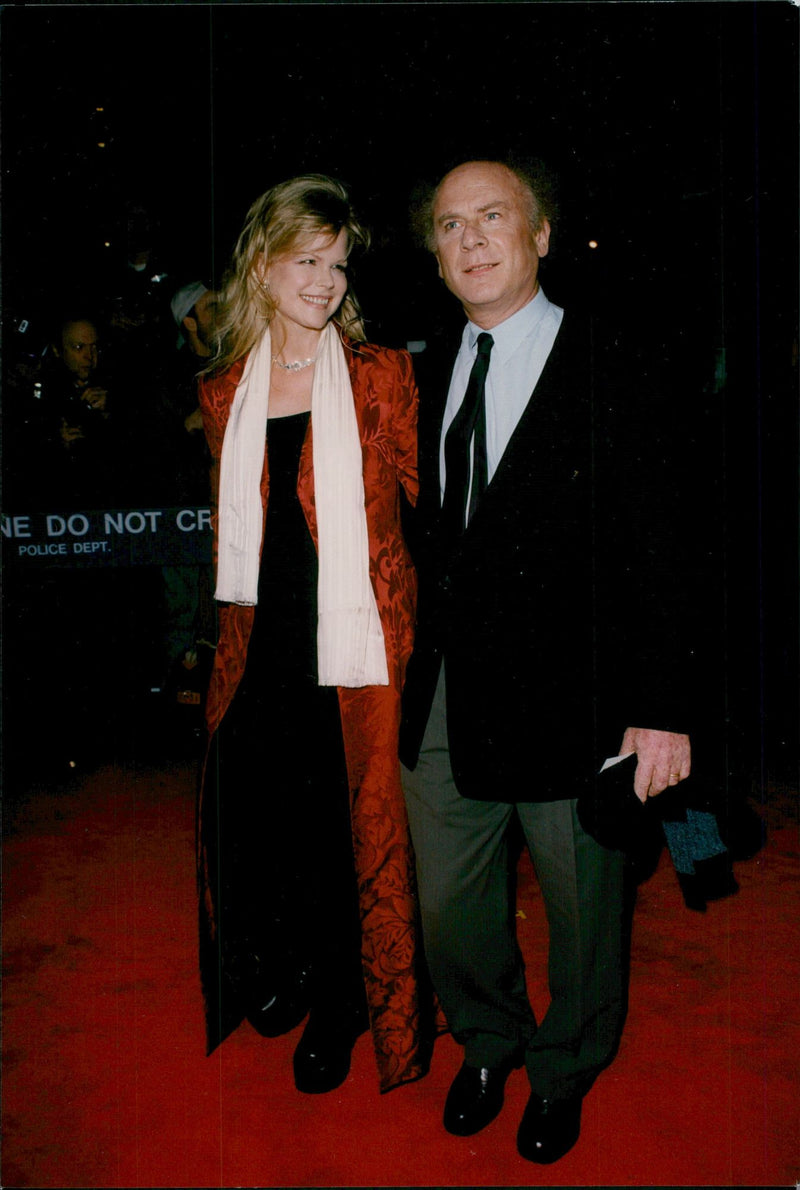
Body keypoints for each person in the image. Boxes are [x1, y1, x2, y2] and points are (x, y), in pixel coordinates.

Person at [399, 158, 695, 1163]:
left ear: (539, 236)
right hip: (442, 698)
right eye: (448, 225)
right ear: (436, 257)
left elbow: (665, 546)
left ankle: (563, 1065)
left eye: (492, 216)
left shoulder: (619, 363)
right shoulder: (421, 367)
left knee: (584, 913)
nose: (470, 237)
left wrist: (660, 706)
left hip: (579, 703)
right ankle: (486, 1040)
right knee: (446, 902)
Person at [196, 174, 428, 1095]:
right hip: (257, 655)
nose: (327, 281)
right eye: (307, 261)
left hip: (353, 656)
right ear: (263, 263)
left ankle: (343, 1001)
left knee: (345, 835)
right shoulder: (224, 392)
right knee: (271, 826)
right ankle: (287, 966)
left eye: (337, 265)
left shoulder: (380, 376)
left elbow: (427, 520)